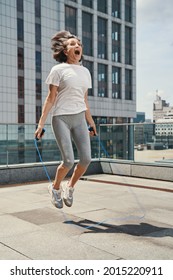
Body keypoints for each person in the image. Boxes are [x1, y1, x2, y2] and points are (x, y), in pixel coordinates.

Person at [35, 30, 97, 209]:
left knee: (86, 159)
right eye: (72, 44)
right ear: (65, 51)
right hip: (61, 118)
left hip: (79, 118)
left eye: (78, 44)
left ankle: (69, 187)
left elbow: (84, 100)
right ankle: (55, 188)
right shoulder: (58, 70)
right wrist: (41, 124)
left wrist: (91, 122)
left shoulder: (85, 72)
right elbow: (50, 98)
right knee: (68, 161)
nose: (77, 46)